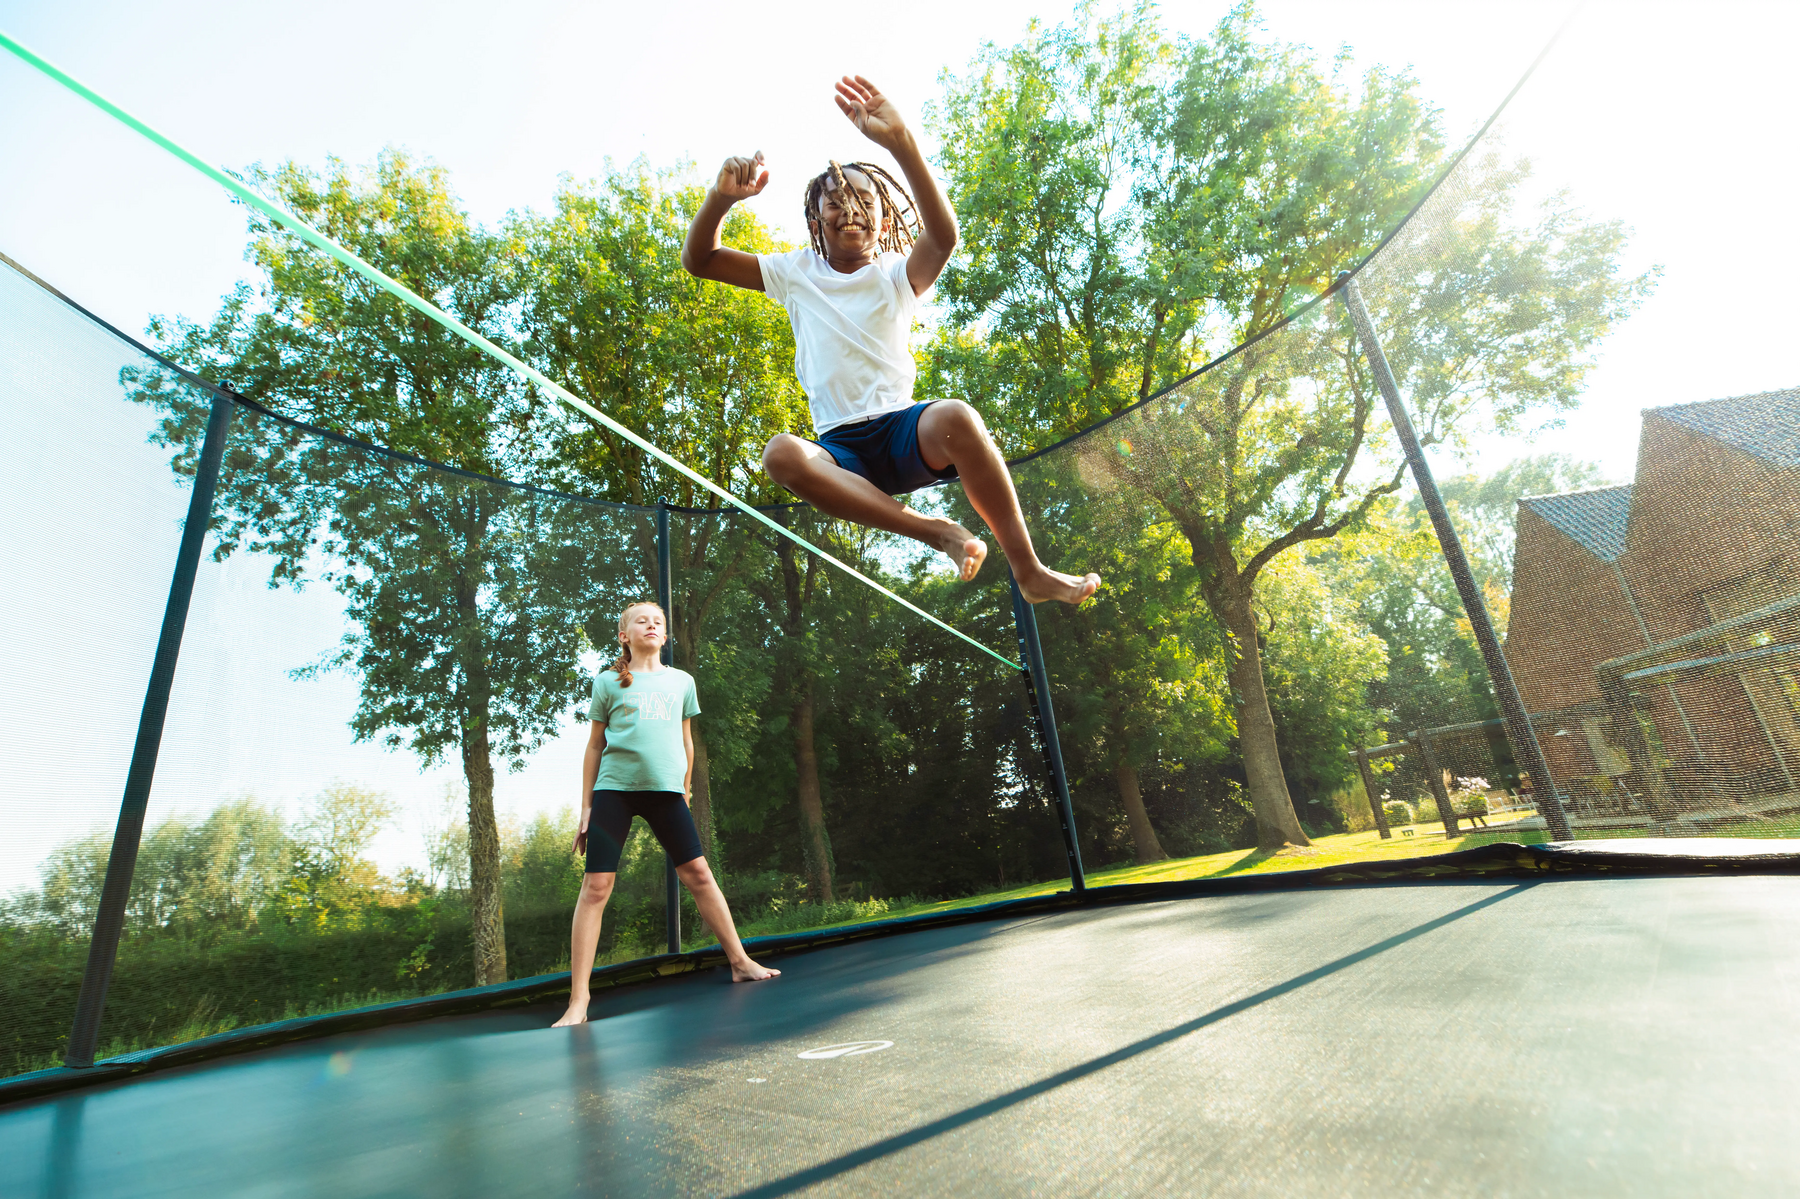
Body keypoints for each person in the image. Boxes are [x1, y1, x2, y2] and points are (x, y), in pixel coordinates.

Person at [680, 74, 1100, 606]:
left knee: (957, 416)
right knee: (781, 454)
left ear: (883, 220)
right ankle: (937, 532)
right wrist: (720, 199)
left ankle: (1030, 570)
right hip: (840, 453)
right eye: (835, 200)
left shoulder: (896, 275)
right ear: (816, 218)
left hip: (904, 434)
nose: (849, 208)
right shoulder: (794, 271)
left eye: (863, 199)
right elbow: (700, 259)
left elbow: (943, 236)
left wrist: (900, 142)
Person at [553, 601, 776, 1028]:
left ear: (665, 635)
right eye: (642, 621)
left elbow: (686, 740)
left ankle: (740, 962)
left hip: (667, 793)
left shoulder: (681, 682)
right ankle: (578, 1000)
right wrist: (586, 807)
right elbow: (595, 746)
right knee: (596, 887)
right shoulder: (607, 682)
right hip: (614, 792)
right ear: (625, 636)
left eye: (658, 621)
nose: (652, 625)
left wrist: (686, 788)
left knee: (699, 874)